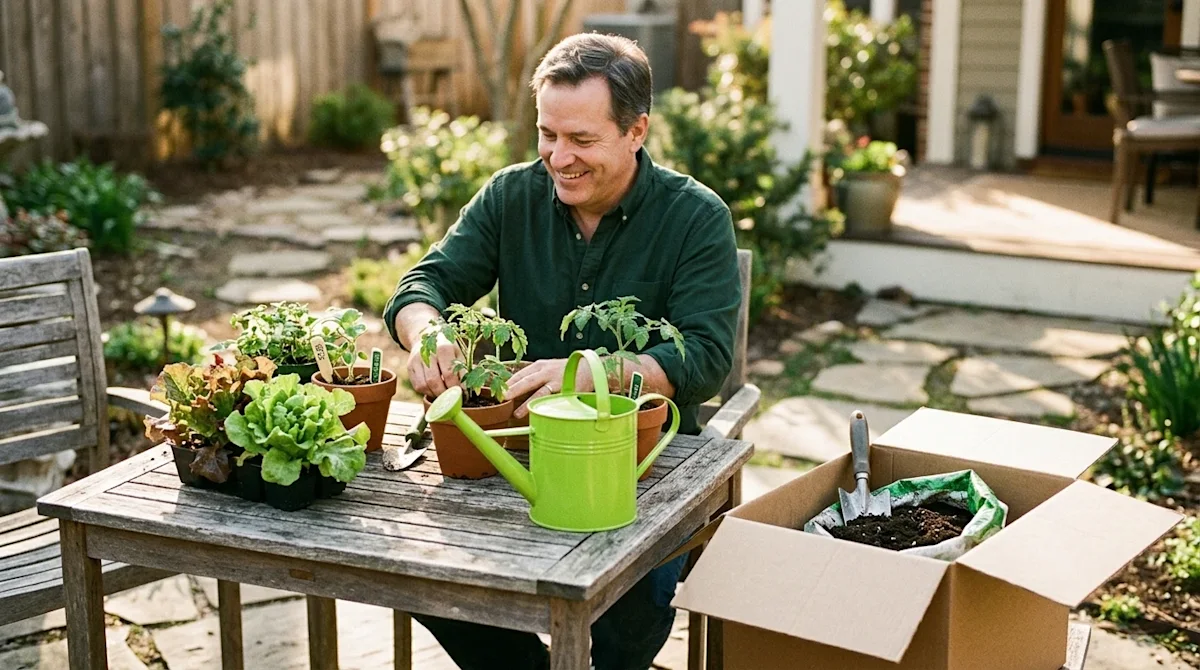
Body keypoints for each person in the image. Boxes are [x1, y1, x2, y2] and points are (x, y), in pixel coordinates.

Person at [384, 32, 739, 670]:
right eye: (548, 134)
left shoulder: (695, 217)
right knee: (425, 576)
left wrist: (589, 372)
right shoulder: (510, 197)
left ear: (636, 130)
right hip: (510, 449)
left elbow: (706, 356)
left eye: (581, 140)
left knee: (626, 619)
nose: (559, 157)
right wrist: (427, 331)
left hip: (640, 466)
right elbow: (423, 285)